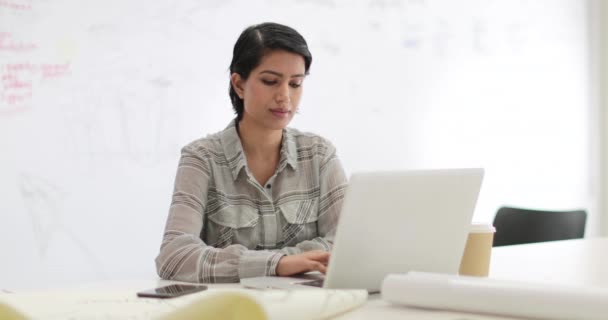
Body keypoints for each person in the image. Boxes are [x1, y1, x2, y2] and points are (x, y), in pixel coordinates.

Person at [155, 22, 347, 283]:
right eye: (270, 81)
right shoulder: (200, 158)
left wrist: (276, 263)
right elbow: (174, 258)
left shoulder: (319, 155)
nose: (285, 97)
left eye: (295, 83)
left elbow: (347, 245)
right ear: (239, 85)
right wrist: (278, 264)